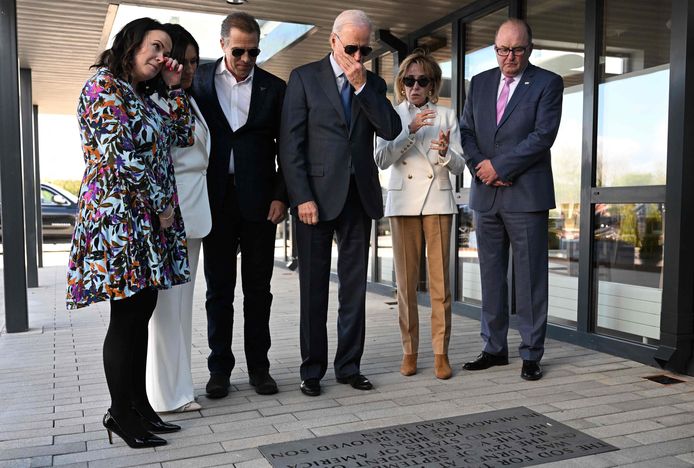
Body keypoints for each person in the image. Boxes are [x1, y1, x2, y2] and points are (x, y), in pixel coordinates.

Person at [66, 17, 192, 448]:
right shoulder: (102, 87)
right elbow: (121, 156)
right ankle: (120, 413)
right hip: (120, 216)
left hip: (145, 217)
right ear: (131, 42)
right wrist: (162, 206)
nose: (161, 58)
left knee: (142, 310)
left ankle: (139, 406)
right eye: (155, 48)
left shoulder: (138, 94)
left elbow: (182, 135)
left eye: (166, 52)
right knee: (127, 316)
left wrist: (175, 89)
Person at [280, 9, 402, 397]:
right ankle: (312, 370)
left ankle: (349, 366)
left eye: (365, 49)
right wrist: (301, 197)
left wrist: (363, 86)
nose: (358, 55)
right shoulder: (303, 78)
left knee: (354, 290)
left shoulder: (373, 81)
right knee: (313, 290)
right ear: (333, 42)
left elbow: (391, 128)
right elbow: (290, 144)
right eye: (352, 48)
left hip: (358, 199)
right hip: (314, 200)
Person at [459, 18, 563, 381]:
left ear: (529, 49)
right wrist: (480, 167)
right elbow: (466, 131)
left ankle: (531, 353)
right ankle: (494, 348)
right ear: (495, 49)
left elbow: (542, 135)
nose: (509, 57)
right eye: (503, 49)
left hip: (526, 195)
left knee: (531, 277)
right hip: (486, 195)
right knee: (490, 276)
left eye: (517, 49)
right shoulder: (480, 82)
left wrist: (500, 166)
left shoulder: (548, 83)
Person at [192, 12, 287, 399]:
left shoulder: (275, 88)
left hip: (261, 203)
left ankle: (259, 369)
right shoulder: (197, 81)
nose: (247, 59)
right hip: (214, 201)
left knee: (258, 291)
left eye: (253, 51)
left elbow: (288, 147)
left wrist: (282, 195)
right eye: (239, 51)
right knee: (219, 291)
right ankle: (219, 370)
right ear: (221, 45)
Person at [374, 49, 465, 380]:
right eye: (409, 80)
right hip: (402, 205)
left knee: (441, 286)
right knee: (406, 285)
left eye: (422, 80)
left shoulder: (448, 116)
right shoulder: (390, 115)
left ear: (432, 85)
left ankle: (441, 353)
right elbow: (382, 160)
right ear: (401, 83)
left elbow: (459, 166)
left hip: (438, 203)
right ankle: (409, 351)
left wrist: (445, 153)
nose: (415, 86)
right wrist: (409, 130)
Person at [146, 24, 210, 414]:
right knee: (167, 310)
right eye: (180, 60)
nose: (187, 69)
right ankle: (166, 394)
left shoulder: (187, 100)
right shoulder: (158, 101)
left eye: (192, 61)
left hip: (194, 213)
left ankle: (180, 387)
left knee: (183, 307)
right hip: (170, 216)